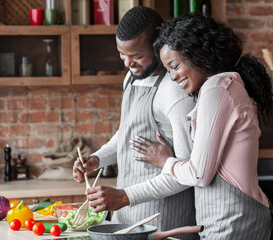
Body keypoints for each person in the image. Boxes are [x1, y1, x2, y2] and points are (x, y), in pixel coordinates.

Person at [132, 14, 273, 239]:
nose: (173, 77)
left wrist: (164, 161)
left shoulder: (216, 89)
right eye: (167, 70)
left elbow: (199, 174)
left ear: (198, 55)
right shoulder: (226, 85)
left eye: (175, 66)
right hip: (234, 221)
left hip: (234, 222)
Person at [73, 6, 198, 239]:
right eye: (122, 55)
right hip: (125, 219)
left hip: (162, 222)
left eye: (136, 56)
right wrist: (98, 159)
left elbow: (187, 171)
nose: (128, 64)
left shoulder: (174, 91)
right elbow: (126, 135)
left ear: (158, 46)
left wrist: (122, 196)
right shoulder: (132, 78)